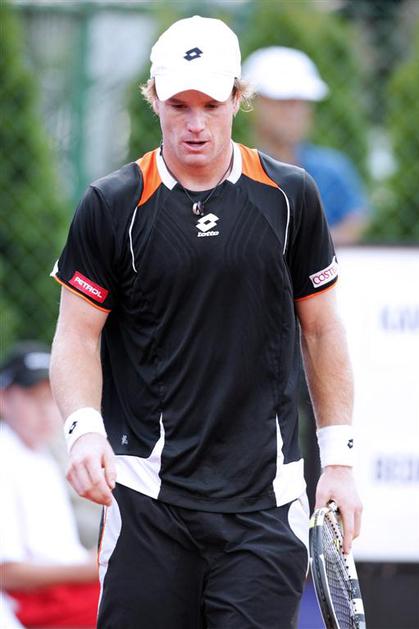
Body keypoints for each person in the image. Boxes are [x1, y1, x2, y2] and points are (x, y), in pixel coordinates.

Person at [49, 15, 362, 629]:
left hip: (264, 505)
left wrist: (340, 464)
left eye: (211, 105)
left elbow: (323, 330)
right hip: (146, 497)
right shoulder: (112, 204)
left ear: (238, 99)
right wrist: (83, 431)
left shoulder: (290, 196)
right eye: (179, 105)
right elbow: (77, 334)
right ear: (154, 99)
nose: (195, 124)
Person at [0, 341, 100, 628]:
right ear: (3, 399)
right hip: (31, 602)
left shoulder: (41, 452)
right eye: (33, 398)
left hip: (64, 591)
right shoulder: (5, 457)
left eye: (52, 398)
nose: (46, 410)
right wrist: (94, 567)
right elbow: (6, 572)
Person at [242, 46, 368, 245]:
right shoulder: (233, 172)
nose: (296, 112)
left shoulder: (332, 170)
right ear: (252, 104)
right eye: (284, 101)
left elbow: (354, 221)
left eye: (302, 102)